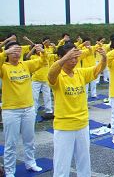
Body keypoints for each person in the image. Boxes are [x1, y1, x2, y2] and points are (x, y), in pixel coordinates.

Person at [48, 42, 106, 176]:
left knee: (84, 161)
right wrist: (64, 59)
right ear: (61, 57)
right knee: (62, 164)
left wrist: (104, 58)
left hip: (82, 124)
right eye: (70, 57)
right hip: (64, 127)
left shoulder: (80, 73)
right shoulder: (58, 75)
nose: (74, 60)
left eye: (75, 57)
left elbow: (97, 70)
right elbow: (51, 74)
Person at [0, 42, 46, 177]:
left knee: (29, 139)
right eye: (13, 51)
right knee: (11, 142)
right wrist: (5, 52)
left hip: (28, 108)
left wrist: (42, 51)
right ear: (7, 53)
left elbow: (43, 62)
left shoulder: (25, 65)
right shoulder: (4, 67)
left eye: (18, 50)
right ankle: (9, 170)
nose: (16, 53)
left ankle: (30, 163)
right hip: (11, 110)